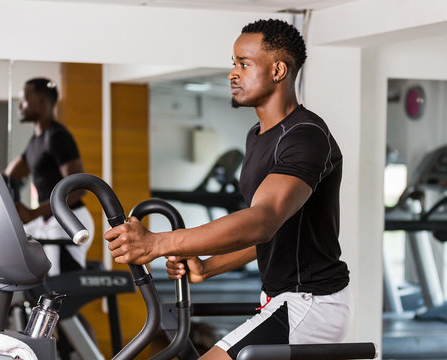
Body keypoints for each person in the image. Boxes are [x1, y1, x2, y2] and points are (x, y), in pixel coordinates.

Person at [105, 19, 352, 360]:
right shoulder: (258, 135)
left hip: (308, 302)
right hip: (280, 297)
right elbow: (271, 235)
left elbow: (262, 221)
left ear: (278, 70)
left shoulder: (306, 136)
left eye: (244, 63)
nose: (232, 73)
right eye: (233, 63)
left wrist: (157, 243)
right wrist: (207, 266)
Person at [4, 77, 94, 277]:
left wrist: (33, 213)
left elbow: (77, 189)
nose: (20, 105)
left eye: (24, 99)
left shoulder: (57, 137)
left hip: (70, 219)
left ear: (42, 102)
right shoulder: (36, 141)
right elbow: (9, 175)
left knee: (56, 286)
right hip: (48, 219)